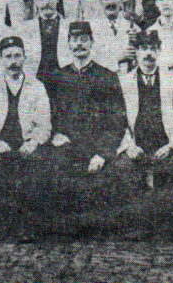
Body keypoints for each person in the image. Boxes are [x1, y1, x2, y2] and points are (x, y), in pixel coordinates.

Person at [48, 21, 130, 218]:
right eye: (74, 40)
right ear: (68, 43)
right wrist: (56, 134)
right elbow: (50, 115)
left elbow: (117, 121)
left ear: (92, 42)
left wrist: (102, 153)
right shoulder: (59, 76)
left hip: (97, 147)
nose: (79, 44)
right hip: (67, 146)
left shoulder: (107, 76)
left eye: (84, 40)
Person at [0, 36, 51, 229]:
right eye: (8, 57)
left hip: (27, 142)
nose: (13, 61)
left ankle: (28, 225)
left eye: (17, 56)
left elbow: (44, 124)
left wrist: (34, 141)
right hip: (0, 143)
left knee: (35, 165)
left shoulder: (36, 87)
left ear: (24, 58)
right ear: (1, 60)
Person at [117, 30, 173, 191]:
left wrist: (172, 146)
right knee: (121, 173)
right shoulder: (124, 83)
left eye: (153, 49)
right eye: (144, 48)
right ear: (137, 52)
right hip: (136, 148)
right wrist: (129, 146)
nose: (148, 54)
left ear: (159, 51)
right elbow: (118, 123)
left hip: (165, 147)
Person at [18, 0, 71, 100]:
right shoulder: (25, 29)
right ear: (36, 1)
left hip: (64, 84)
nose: (46, 2)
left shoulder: (69, 26)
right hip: (35, 83)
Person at [88, 0, 137, 74]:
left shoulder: (133, 27)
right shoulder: (91, 28)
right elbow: (90, 59)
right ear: (100, 1)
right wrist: (119, 57)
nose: (111, 2)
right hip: (101, 80)